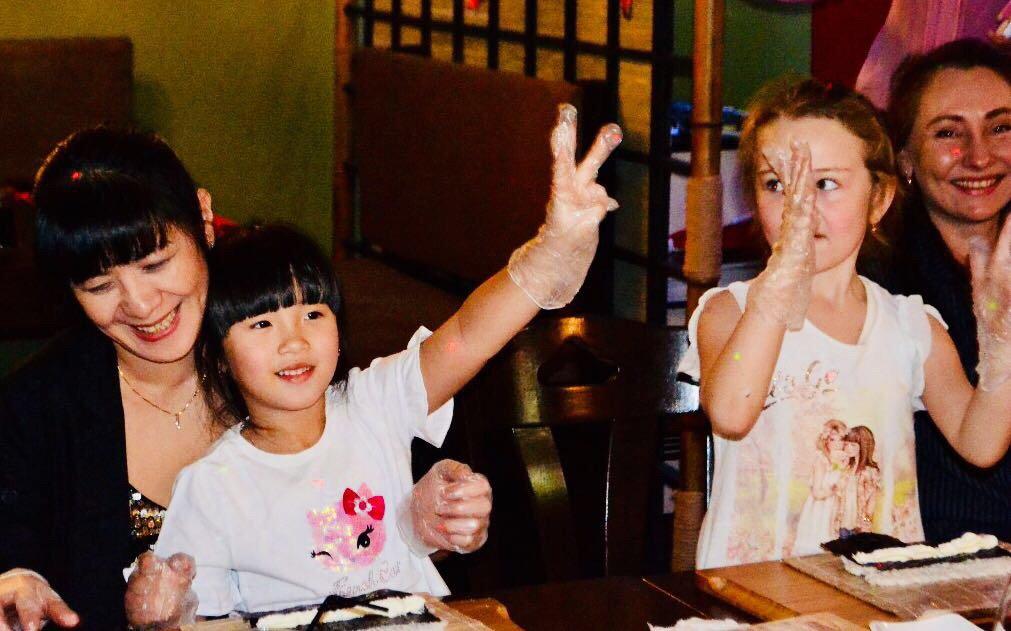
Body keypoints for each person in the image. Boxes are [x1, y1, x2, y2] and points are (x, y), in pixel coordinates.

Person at [125, 106, 623, 624]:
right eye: (262, 324)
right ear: (220, 357)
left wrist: (551, 253)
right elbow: (199, 618)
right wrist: (160, 612)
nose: (294, 340)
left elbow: (467, 338)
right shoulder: (212, 485)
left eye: (313, 314)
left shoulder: (373, 402)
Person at [0, 127, 491, 630]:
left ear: (204, 218)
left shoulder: (290, 346)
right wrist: (15, 581)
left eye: (155, 264)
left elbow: (386, 547)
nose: (141, 305)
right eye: (100, 285)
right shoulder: (35, 409)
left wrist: (435, 522)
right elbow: (13, 551)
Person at [678, 76, 1011, 569]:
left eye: (825, 184)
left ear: (878, 199)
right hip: (752, 591)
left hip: (877, 591)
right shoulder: (733, 311)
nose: (800, 206)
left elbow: (981, 444)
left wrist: (1001, 339)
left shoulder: (910, 326)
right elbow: (730, 412)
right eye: (776, 185)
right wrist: (779, 285)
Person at [861, 38, 1011, 543]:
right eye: (948, 132)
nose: (979, 156)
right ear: (905, 159)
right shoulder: (875, 285)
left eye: (1001, 127)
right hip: (935, 550)